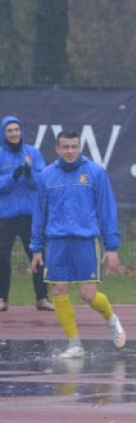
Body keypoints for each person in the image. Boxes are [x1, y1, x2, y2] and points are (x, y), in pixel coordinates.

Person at [30, 129, 126, 359]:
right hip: (56, 243)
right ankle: (75, 345)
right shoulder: (46, 176)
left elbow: (107, 210)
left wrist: (111, 246)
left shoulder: (96, 173)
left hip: (86, 242)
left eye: (74, 146)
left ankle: (111, 319)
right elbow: (39, 213)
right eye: (65, 147)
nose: (70, 151)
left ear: (80, 147)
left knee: (88, 294)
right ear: (57, 149)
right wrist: (36, 247)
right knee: (59, 290)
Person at [0, 115, 53, 312]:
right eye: (9, 131)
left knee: (38, 255)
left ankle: (42, 298)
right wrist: (11, 178)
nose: (14, 134)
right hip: (4, 216)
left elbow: (42, 182)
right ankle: (2, 298)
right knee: (2, 257)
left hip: (30, 215)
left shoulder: (33, 153)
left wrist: (29, 174)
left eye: (16, 130)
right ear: (4, 134)